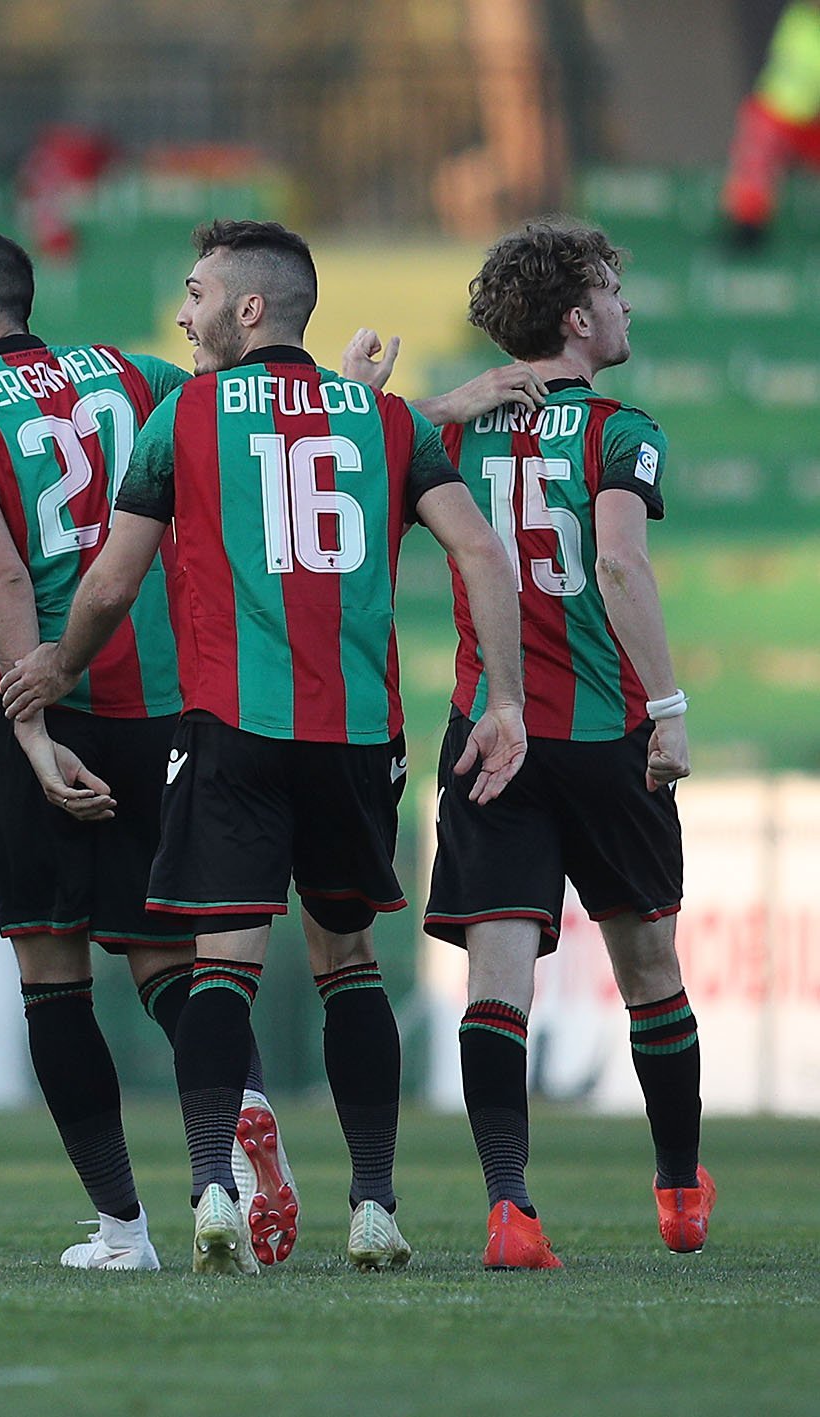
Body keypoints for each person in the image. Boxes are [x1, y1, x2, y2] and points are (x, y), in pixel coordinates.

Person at [2, 219, 530, 1276]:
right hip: (353, 735)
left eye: (195, 293)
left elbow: (111, 580)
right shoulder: (378, 420)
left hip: (231, 731)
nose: (183, 315)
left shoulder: (185, 413)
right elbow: (476, 547)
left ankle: (207, 1191)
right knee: (347, 967)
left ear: (247, 308)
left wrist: (58, 663)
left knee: (218, 970)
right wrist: (503, 698)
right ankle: (374, 1206)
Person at [0, 223, 299, 1270]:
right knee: (166, 961)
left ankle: (124, 1230)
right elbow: (247, 396)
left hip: (45, 689)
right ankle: (244, 1108)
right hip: (164, 704)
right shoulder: (136, 370)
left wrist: (29, 728)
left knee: (51, 975)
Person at [344, 220, 710, 1269]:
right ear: (574, 318)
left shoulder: (448, 433)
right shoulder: (618, 431)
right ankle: (679, 1189)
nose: (624, 307)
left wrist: (433, 405)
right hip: (602, 732)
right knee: (648, 967)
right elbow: (620, 570)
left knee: (496, 977)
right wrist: (669, 704)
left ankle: (509, 1208)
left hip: (490, 733)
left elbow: (334, 465)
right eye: (609, 290)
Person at [722, 0, 820, 247]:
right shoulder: (799, 19)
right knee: (758, 133)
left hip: (811, 121)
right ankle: (747, 225)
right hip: (785, 114)